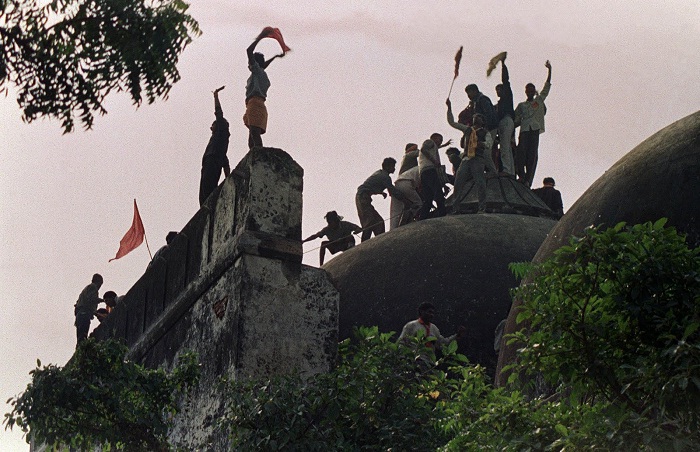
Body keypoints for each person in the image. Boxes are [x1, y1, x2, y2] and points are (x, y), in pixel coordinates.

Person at [447, 99, 497, 213]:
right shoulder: (468, 130)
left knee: (480, 182)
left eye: (478, 117)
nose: (475, 117)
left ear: (482, 121)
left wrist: (481, 144)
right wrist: (449, 108)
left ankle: (482, 207)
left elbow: (489, 144)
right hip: (466, 158)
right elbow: (452, 123)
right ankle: (455, 208)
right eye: (475, 116)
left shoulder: (485, 132)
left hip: (477, 158)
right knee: (458, 183)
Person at [243, 30, 286, 150]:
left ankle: (260, 157)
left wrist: (260, 37)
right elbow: (263, 66)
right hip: (258, 105)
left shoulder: (257, 71)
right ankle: (254, 155)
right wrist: (275, 57)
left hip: (254, 104)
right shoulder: (261, 74)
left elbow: (248, 51)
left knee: (254, 135)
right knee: (252, 137)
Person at [514, 60, 552, 187]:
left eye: (532, 90)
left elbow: (546, 88)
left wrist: (549, 70)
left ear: (533, 91)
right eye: (527, 90)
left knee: (532, 155)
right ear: (525, 91)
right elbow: (515, 119)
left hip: (534, 129)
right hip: (524, 130)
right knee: (521, 153)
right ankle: (522, 176)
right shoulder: (521, 105)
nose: (529, 92)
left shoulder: (538, 101)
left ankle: (528, 180)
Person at [356, 158, 405, 242]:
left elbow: (372, 185)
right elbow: (393, 190)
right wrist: (404, 198)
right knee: (370, 221)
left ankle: (380, 241)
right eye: (393, 166)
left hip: (363, 197)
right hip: (363, 197)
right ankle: (364, 243)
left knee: (379, 221)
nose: (394, 168)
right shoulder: (385, 177)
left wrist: (381, 192)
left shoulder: (380, 173)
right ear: (388, 166)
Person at [398, 302, 466, 362]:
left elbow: (442, 344)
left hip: (429, 363)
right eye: (429, 312)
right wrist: (402, 359)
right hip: (415, 360)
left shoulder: (434, 328)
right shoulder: (411, 325)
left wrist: (457, 336)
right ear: (421, 311)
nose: (431, 315)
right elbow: (402, 342)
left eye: (433, 313)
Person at [199, 87, 231, 206]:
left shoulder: (221, 132)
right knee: (204, 194)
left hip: (212, 163)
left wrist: (216, 97)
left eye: (212, 125)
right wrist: (228, 177)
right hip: (209, 163)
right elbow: (225, 161)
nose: (211, 128)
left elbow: (219, 113)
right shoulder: (218, 142)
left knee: (207, 190)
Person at [417, 133, 451, 220]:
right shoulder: (429, 142)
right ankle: (442, 213)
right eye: (440, 140)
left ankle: (423, 217)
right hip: (430, 170)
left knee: (428, 197)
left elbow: (434, 148)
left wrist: (444, 145)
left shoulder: (432, 146)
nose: (440, 142)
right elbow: (424, 149)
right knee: (437, 191)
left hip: (423, 173)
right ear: (435, 138)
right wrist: (434, 161)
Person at [465, 83, 499, 167]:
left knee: (487, 151)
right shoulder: (477, 101)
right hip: (486, 128)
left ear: (475, 91)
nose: (468, 96)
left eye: (469, 92)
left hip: (490, 128)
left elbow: (488, 113)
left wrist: (486, 127)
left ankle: (492, 171)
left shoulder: (482, 99)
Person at [494, 54, 515, 176]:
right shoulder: (500, 103)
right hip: (505, 121)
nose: (498, 92)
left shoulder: (507, 97)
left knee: (504, 147)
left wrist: (503, 65)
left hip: (506, 120)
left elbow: (506, 81)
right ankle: (510, 170)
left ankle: (507, 170)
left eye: (499, 90)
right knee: (507, 148)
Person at [74, 273, 103, 346]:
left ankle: (80, 350)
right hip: (84, 314)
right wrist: (102, 300)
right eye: (100, 284)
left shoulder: (85, 290)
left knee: (80, 336)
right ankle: (82, 350)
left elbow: (80, 304)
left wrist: (95, 313)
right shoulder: (93, 287)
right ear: (98, 282)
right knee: (83, 336)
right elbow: (91, 299)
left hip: (80, 315)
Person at [390, 165, 422, 229]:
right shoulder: (427, 169)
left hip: (398, 184)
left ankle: (393, 229)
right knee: (419, 204)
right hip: (407, 183)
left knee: (396, 211)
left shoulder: (418, 168)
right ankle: (416, 219)